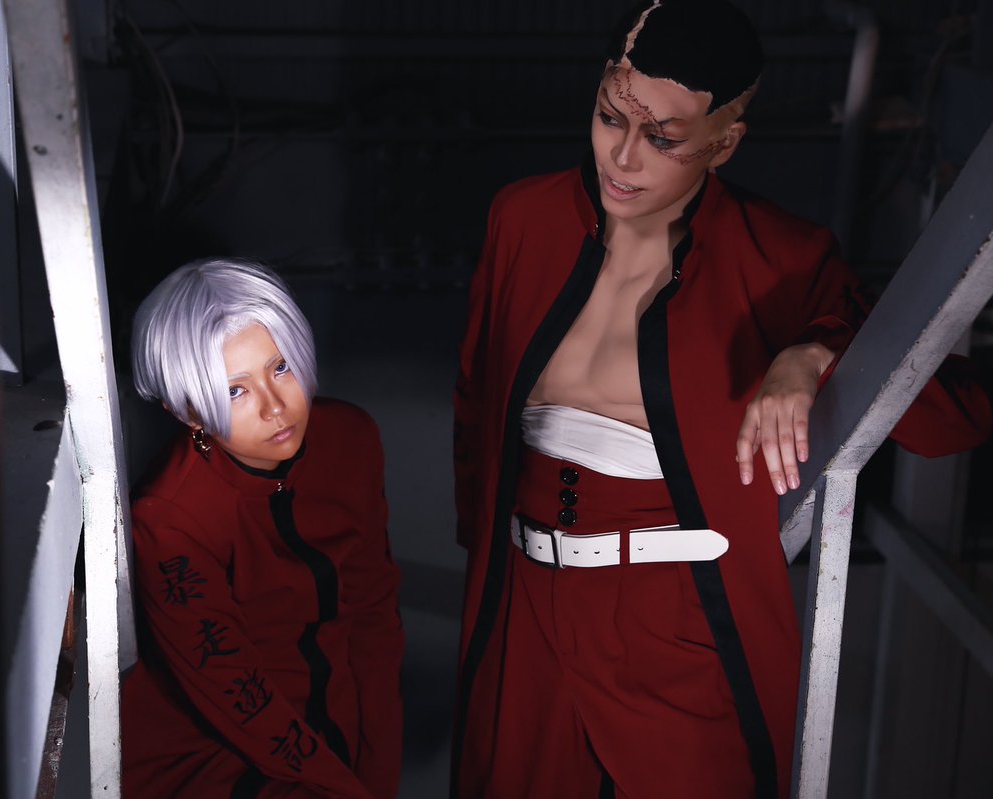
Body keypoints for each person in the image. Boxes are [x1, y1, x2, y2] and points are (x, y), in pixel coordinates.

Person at [450, 2, 991, 798]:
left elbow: (955, 418)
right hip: (520, 607)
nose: (623, 156)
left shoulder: (781, 260)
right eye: (609, 117)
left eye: (663, 138)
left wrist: (816, 354)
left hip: (676, 622)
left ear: (724, 143)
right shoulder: (523, 218)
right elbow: (475, 398)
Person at [121, 258, 403, 799]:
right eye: (235, 390)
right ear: (186, 411)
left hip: (335, 725)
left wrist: (378, 770)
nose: (276, 408)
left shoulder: (351, 438)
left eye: (281, 367)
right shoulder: (168, 519)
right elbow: (231, 691)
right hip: (212, 751)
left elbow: (374, 614)